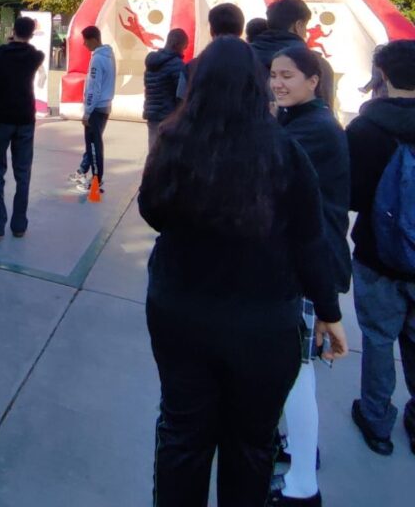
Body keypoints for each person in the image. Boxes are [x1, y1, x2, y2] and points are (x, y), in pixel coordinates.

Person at [139, 37, 347, 507]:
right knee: (251, 445)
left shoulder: (173, 140)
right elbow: (310, 241)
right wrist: (330, 313)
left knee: (182, 435)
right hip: (263, 323)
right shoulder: (285, 151)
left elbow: (152, 212)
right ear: (258, 87)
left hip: (180, 310)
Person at [269, 45, 351, 506]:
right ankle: (297, 458)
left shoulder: (313, 130)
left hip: (309, 263)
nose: (278, 82)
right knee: (294, 372)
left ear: (313, 79)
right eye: (274, 75)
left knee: (298, 374)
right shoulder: (299, 121)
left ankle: (303, 484)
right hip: (309, 261)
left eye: (288, 75)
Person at [346, 39, 415, 457]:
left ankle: (376, 422)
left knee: (376, 338)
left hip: (378, 254)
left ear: (382, 77)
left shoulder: (366, 128)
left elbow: (352, 196)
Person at [0, 16, 44, 239]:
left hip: (1, 118)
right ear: (32, 34)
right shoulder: (36, 56)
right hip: (25, 119)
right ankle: (19, 225)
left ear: (12, 30)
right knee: (23, 174)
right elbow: (29, 49)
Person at [250, 0, 335, 105]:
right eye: (305, 27)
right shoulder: (317, 64)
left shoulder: (242, 55)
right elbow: (324, 113)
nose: (305, 34)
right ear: (298, 26)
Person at [69, 25, 116, 194]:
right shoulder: (109, 55)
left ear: (94, 40)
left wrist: (87, 112)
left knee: (94, 146)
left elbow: (93, 88)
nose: (84, 44)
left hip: (96, 108)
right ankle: (83, 171)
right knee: (92, 145)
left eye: (86, 41)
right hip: (104, 107)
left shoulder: (97, 59)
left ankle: (96, 181)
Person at [143, 28, 188, 149]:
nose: (183, 51)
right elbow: (181, 95)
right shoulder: (177, 65)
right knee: (166, 154)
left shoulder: (151, 62)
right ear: (178, 45)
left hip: (151, 114)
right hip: (169, 116)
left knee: (153, 150)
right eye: (184, 47)